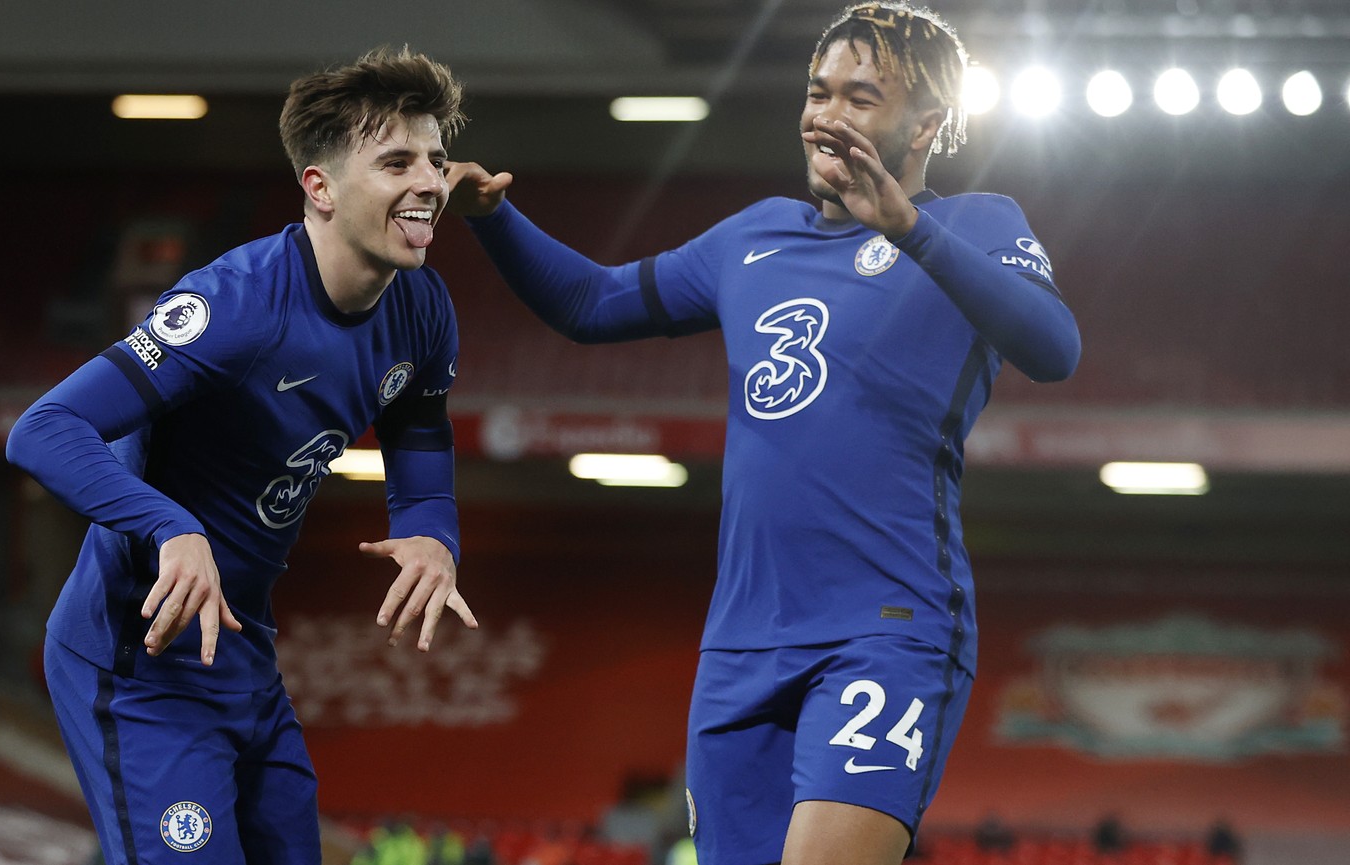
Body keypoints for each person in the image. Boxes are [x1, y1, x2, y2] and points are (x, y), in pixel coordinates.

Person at [446, 4, 1079, 865]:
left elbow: (1055, 348)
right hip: (741, 643)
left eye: (862, 97)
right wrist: (492, 217)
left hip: (887, 629)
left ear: (926, 124)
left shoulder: (977, 223)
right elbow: (591, 304)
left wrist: (912, 230)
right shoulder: (752, 237)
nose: (827, 114)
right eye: (819, 91)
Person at [6, 46, 478, 865]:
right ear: (319, 187)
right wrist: (169, 526)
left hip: (242, 649)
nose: (431, 181)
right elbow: (43, 429)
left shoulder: (423, 309)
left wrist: (432, 531)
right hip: (137, 656)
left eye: (436, 159)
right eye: (396, 160)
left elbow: (421, 439)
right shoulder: (234, 305)